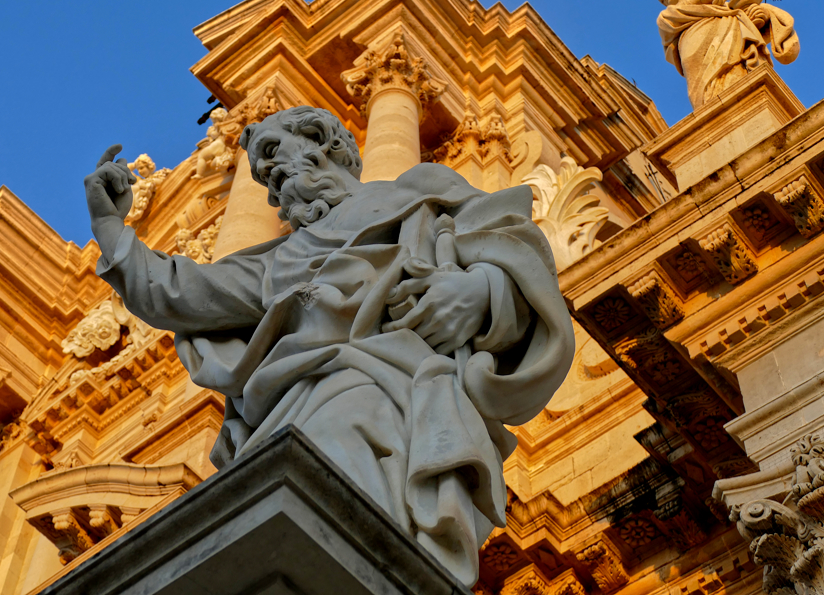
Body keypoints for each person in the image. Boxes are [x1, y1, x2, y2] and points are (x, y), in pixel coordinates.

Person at [83, 106, 573, 585]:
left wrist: (479, 289)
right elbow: (177, 291)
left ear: (324, 141)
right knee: (290, 495)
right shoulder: (276, 261)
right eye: (262, 173)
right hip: (297, 403)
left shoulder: (421, 191)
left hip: (396, 388)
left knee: (332, 488)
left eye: (274, 151)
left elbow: (515, 247)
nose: (271, 174)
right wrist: (110, 228)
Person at [656, 0, 799, 109]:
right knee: (708, 102)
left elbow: (746, 29)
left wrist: (761, 15)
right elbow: (669, 20)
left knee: (739, 85)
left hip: (733, 57)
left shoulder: (723, 9)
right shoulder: (667, 18)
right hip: (697, 62)